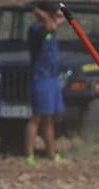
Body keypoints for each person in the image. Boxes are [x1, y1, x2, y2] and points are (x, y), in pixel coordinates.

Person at [25, 3, 66, 165]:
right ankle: (29, 154)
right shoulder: (35, 29)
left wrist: (56, 12)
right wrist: (41, 13)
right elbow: (50, 27)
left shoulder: (51, 23)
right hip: (41, 78)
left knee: (49, 119)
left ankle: (51, 152)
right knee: (36, 117)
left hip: (52, 78)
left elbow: (62, 18)